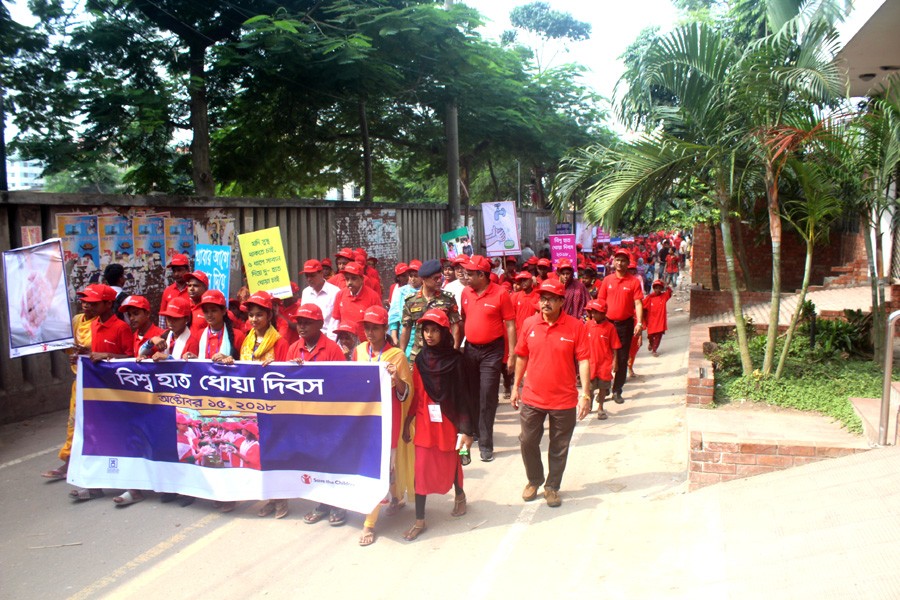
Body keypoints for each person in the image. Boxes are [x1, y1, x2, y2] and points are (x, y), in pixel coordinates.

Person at [510, 279, 590, 508]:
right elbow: (522, 356)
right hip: (532, 397)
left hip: (563, 399)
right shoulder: (529, 324)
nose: (544, 302)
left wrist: (585, 394)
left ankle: (552, 486)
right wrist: (516, 386)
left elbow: (584, 360)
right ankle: (534, 479)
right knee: (527, 441)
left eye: (550, 298)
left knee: (559, 445)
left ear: (561, 302)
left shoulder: (576, 327)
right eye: (542, 298)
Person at [400, 309, 476, 542]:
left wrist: (466, 429)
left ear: (444, 333)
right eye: (426, 330)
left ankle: (460, 495)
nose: (429, 335)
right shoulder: (421, 359)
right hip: (425, 422)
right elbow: (417, 393)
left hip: (449, 421)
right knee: (420, 469)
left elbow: (464, 396)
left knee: (453, 460)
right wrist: (408, 421)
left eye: (434, 330)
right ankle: (420, 520)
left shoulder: (456, 361)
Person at [66, 284, 135, 503]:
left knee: (123, 438)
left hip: (119, 393)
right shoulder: (93, 325)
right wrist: (83, 356)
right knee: (99, 437)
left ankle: (133, 486)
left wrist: (108, 355)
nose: (90, 306)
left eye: (96, 303)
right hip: (98, 393)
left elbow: (131, 358)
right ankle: (95, 485)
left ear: (108, 304)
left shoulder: (121, 327)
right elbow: (94, 353)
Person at [352, 307, 414, 545]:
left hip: (388, 421)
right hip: (365, 419)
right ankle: (396, 497)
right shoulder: (358, 351)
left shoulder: (396, 356)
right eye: (366, 327)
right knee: (378, 466)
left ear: (385, 329)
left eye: (375, 327)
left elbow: (406, 392)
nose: (369, 332)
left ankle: (369, 524)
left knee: (381, 467)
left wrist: (396, 378)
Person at [460, 255, 516, 462]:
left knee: (487, 395)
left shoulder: (501, 294)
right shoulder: (466, 293)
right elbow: (465, 318)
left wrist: (511, 354)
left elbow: (510, 324)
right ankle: (473, 431)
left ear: (482, 275)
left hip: (492, 351)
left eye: (469, 273)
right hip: (470, 350)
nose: (465, 277)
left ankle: (486, 443)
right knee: (471, 394)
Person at [41, 286, 97, 481]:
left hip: (98, 382)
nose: (85, 304)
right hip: (79, 379)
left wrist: (88, 354)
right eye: (83, 300)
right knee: (74, 421)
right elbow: (67, 346)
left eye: (90, 302)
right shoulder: (76, 321)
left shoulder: (101, 324)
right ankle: (69, 460)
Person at [596, 249, 644, 404]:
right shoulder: (607, 280)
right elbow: (600, 301)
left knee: (623, 358)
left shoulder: (633, 281)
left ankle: (617, 390)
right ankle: (605, 386)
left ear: (628, 263)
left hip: (626, 324)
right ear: (613, 261)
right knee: (605, 356)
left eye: (623, 260)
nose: (620, 263)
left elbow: (638, 302)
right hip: (607, 323)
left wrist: (639, 322)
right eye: (617, 260)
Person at [399, 259, 461, 360]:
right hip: (418, 354)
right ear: (424, 279)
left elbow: (455, 326)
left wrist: (454, 350)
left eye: (440, 277)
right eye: (435, 278)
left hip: (442, 354)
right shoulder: (411, 300)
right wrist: (401, 354)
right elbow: (406, 328)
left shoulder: (447, 299)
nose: (439, 281)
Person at [585, 300, 621, 420]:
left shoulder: (610, 328)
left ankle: (600, 407)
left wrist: (615, 361)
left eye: (596, 312)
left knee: (603, 387)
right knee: (589, 387)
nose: (593, 315)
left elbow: (615, 346)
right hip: (590, 363)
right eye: (592, 312)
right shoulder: (588, 325)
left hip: (604, 364)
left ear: (604, 313)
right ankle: (588, 404)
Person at [333, 261, 384, 340]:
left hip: (366, 344)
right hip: (345, 343)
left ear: (362, 279)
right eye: (347, 279)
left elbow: (379, 322)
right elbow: (336, 321)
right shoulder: (340, 295)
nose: (349, 282)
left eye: (353, 278)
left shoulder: (373, 297)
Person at [197, 290, 244, 366]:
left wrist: (231, 360)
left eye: (213, 310)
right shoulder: (199, 334)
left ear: (224, 311)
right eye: (206, 311)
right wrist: (191, 358)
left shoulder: (238, 335)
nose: (209, 315)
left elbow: (246, 365)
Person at [300, 259, 340, 340]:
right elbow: (302, 318)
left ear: (321, 273)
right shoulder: (306, 292)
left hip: (328, 339)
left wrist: (330, 342)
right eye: (307, 276)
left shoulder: (335, 292)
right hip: (308, 339)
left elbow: (335, 320)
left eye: (312, 275)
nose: (309, 279)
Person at [158, 253, 191, 327]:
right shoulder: (168, 291)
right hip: (172, 334)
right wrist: (164, 335)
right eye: (174, 271)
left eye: (179, 270)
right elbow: (162, 316)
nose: (176, 274)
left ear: (188, 270)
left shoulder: (193, 290)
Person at [643, 279, 674, 356]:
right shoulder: (649, 298)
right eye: (656, 288)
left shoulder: (664, 296)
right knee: (650, 335)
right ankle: (651, 343)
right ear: (653, 289)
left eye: (659, 288)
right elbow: (642, 307)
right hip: (651, 320)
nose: (658, 290)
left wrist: (666, 285)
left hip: (660, 320)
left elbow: (669, 292)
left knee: (658, 336)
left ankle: (654, 350)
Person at [184, 270, 210, 337]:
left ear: (205, 288)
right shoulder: (184, 306)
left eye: (196, 285)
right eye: (189, 285)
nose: (191, 289)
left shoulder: (210, 310)